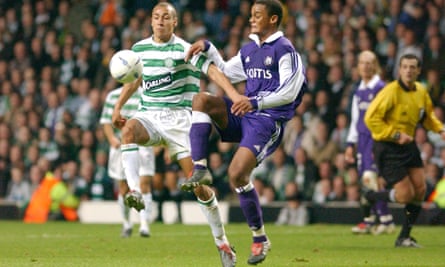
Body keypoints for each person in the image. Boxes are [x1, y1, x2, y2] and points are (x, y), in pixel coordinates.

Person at [111, 3, 237, 266]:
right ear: (151, 21)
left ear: (174, 22)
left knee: (199, 187)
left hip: (181, 122)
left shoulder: (184, 48)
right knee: (129, 130)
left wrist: (234, 95)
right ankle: (134, 190)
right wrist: (118, 106)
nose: (160, 21)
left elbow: (213, 71)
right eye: (156, 17)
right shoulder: (139, 49)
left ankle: (222, 241)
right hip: (150, 117)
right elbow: (135, 79)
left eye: (166, 17)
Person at [181, 0, 306, 264]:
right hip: (244, 112)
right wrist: (209, 47)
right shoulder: (250, 49)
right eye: (251, 15)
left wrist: (256, 102)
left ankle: (260, 237)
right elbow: (226, 70)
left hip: (267, 121)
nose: (251, 19)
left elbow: (290, 92)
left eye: (257, 15)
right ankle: (200, 167)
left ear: (273, 19)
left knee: (236, 174)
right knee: (201, 100)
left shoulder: (286, 50)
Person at [364, 53, 445, 248]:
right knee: (405, 195)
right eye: (405, 67)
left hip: (407, 145)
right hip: (388, 146)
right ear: (399, 70)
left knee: (420, 189)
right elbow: (370, 118)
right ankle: (370, 196)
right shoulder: (390, 91)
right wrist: (396, 135)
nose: (408, 70)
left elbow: (428, 117)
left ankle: (404, 237)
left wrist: (440, 128)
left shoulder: (420, 91)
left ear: (418, 71)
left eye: (412, 67)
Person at [344, 50, 395, 235]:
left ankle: (386, 220)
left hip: (377, 140)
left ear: (375, 66)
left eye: (369, 62)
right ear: (357, 66)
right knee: (367, 182)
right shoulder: (358, 90)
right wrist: (350, 145)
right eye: (362, 63)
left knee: (372, 179)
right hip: (363, 141)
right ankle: (371, 220)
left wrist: (383, 142)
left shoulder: (381, 88)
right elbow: (355, 120)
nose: (365, 66)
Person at [100, 85, 155, 238]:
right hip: (121, 145)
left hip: (143, 145)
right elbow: (106, 121)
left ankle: (144, 225)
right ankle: (126, 223)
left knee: (144, 184)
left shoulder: (146, 93)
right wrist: (111, 138)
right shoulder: (113, 96)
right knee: (124, 188)